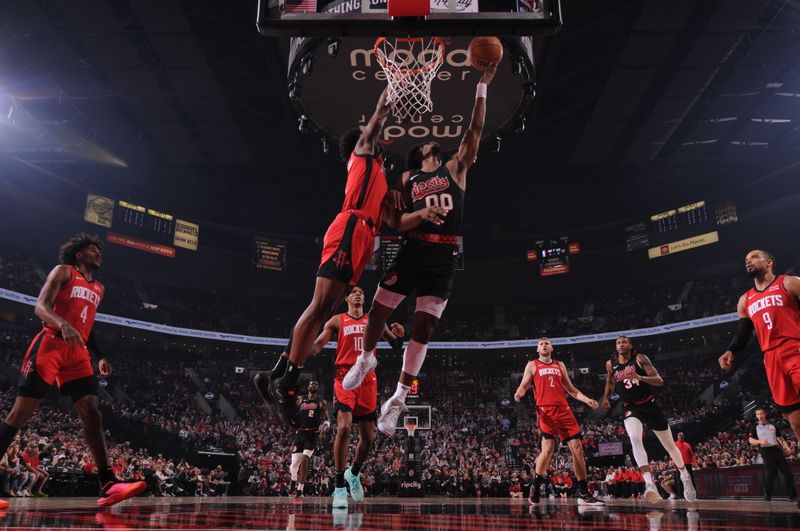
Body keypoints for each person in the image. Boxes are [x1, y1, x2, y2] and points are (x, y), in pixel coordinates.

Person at [265, 89, 446, 428]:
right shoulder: (362, 156)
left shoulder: (379, 177)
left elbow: (396, 222)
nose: (382, 147)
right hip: (350, 228)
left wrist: (423, 213)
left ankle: (276, 374)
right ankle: (287, 383)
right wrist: (386, 101)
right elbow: (375, 124)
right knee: (319, 308)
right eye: (378, 143)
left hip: (363, 238)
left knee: (323, 308)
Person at [342, 63, 500, 436]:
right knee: (378, 309)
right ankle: (366, 359)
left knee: (424, 328)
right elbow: (392, 212)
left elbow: (475, 129)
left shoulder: (456, 168)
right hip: (412, 249)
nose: (434, 143)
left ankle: (397, 398)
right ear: (419, 155)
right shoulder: (406, 179)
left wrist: (481, 86)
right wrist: (395, 200)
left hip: (444, 256)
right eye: (428, 145)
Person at [0, 234, 145, 508]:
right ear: (78, 254)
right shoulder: (63, 271)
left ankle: (108, 484)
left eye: (100, 250)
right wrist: (62, 324)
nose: (99, 253)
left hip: (77, 352)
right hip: (51, 343)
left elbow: (86, 327)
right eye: (93, 249)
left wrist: (99, 356)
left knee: (92, 412)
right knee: (20, 414)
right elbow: (40, 306)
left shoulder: (99, 287)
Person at [306, 286, 405, 508]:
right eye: (355, 292)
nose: (359, 293)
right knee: (343, 429)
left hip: (368, 381)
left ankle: (354, 473)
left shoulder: (375, 319)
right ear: (347, 298)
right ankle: (339, 486)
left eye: (362, 291)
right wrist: (302, 343)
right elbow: (317, 346)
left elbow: (395, 344)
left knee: (368, 438)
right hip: (344, 379)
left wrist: (400, 335)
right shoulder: (337, 320)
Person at [720, 250, 800, 504]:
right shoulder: (745, 299)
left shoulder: (789, 283)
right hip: (771, 359)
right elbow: (743, 332)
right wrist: (731, 349)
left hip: (795, 348)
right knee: (795, 421)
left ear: (769, 262)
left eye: (754, 256)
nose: (748, 260)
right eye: (745, 258)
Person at [600, 336, 697, 502]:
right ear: (615, 347)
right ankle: (649, 483)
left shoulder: (640, 358)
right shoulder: (611, 364)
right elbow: (610, 380)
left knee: (670, 446)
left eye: (624, 342)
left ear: (630, 346)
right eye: (618, 342)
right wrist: (606, 397)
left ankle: (684, 476)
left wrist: (642, 377)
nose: (621, 344)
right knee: (635, 439)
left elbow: (659, 380)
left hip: (649, 405)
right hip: (630, 407)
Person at [514, 337, 604, 505]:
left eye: (547, 343)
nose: (544, 345)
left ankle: (583, 492)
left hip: (564, 410)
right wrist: (518, 393)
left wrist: (586, 400)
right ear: (537, 349)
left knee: (578, 450)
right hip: (545, 411)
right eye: (541, 344)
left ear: (552, 347)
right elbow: (524, 385)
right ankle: (536, 484)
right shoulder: (532, 364)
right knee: (548, 449)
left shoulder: (559, 365)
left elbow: (571, 390)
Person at [289, 380, 330, 501]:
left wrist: (325, 426)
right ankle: (293, 480)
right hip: (300, 433)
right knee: (294, 464)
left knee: (305, 459)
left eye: (316, 384)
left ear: (318, 388)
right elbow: (292, 412)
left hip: (313, 434)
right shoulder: (301, 399)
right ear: (308, 387)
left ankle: (300, 490)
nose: (313, 385)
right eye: (312, 384)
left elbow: (327, 419)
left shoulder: (321, 402)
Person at [749, 407, 797, 501]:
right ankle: (767, 492)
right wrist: (760, 441)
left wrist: (786, 447)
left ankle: (792, 495)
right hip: (766, 451)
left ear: (765, 414)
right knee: (772, 472)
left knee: (787, 473)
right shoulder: (754, 427)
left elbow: (780, 438)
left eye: (761, 413)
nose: (760, 416)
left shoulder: (772, 425)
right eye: (758, 414)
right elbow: (751, 440)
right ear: (756, 416)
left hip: (776, 450)